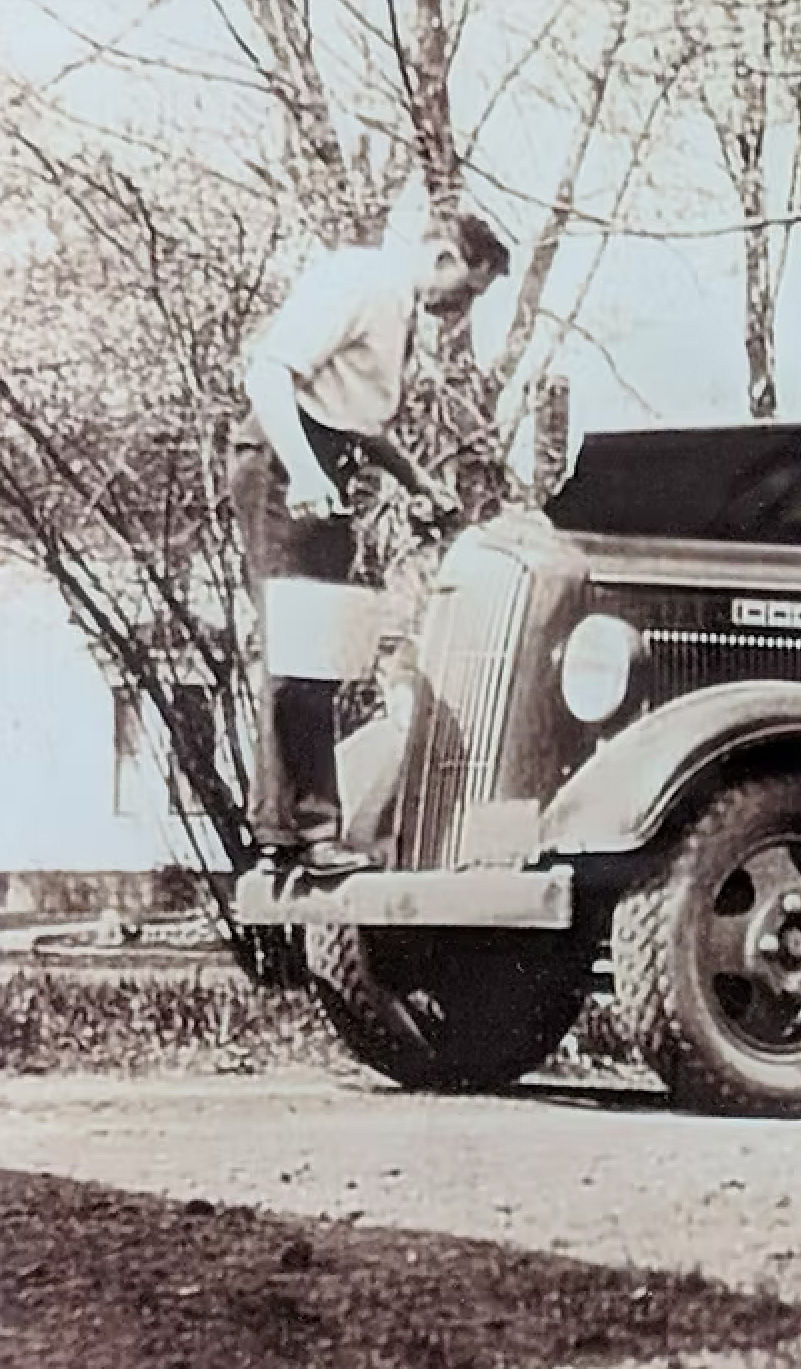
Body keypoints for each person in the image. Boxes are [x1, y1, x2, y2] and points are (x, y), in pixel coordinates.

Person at [231, 210, 511, 877]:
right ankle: (296, 835)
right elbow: (269, 372)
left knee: (321, 650)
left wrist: (415, 477)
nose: (461, 309)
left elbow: (355, 416)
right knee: (300, 651)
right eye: (467, 291)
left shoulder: (399, 305)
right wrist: (300, 468)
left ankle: (301, 834)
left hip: (326, 461)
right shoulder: (361, 280)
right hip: (282, 463)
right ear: (444, 256)